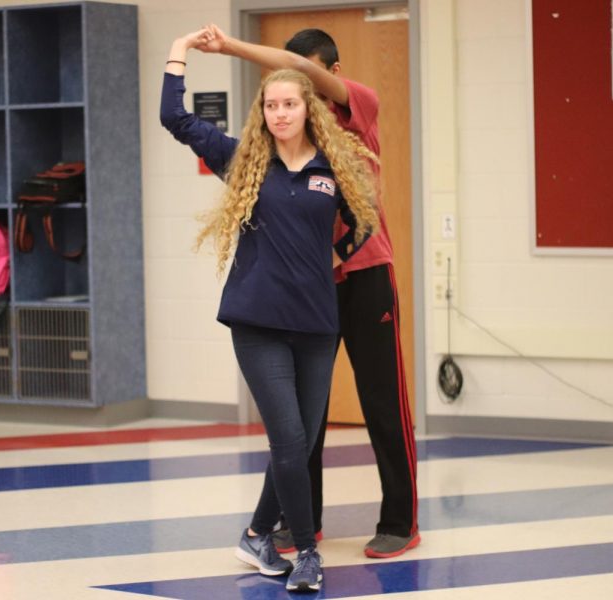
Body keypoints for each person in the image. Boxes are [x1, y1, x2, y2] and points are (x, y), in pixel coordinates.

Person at [161, 29, 380, 593]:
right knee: (288, 441)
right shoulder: (242, 159)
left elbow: (360, 225)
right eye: (272, 105)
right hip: (257, 323)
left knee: (303, 440)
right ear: (263, 112)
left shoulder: (333, 165)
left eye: (290, 104)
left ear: (309, 109)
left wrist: (324, 259)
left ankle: (257, 532)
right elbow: (175, 119)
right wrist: (179, 53)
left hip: (314, 323)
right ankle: (305, 552)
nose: (280, 113)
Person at [197, 25, 421, 559]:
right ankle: (305, 520)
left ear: (331, 77)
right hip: (307, 289)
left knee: (382, 401)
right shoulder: (286, 139)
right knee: (301, 416)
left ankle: (401, 520)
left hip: (366, 278)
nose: (299, 104)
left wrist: (229, 47)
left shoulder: (358, 106)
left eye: (307, 85)